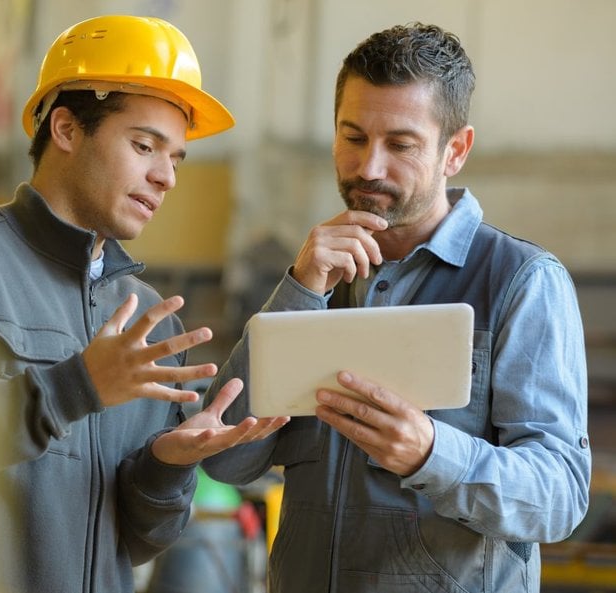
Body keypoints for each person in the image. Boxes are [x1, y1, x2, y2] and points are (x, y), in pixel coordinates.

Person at [0, 14, 288, 593]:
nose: (165, 177)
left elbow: (140, 542)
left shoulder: (144, 312)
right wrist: (74, 387)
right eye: (144, 146)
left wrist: (168, 465)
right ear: (65, 128)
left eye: (177, 159)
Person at [202, 22, 591, 593]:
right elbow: (226, 460)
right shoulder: (315, 279)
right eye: (353, 137)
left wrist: (431, 454)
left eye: (401, 144)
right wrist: (301, 291)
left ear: (455, 150)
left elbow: (558, 496)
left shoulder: (522, 282)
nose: (370, 168)